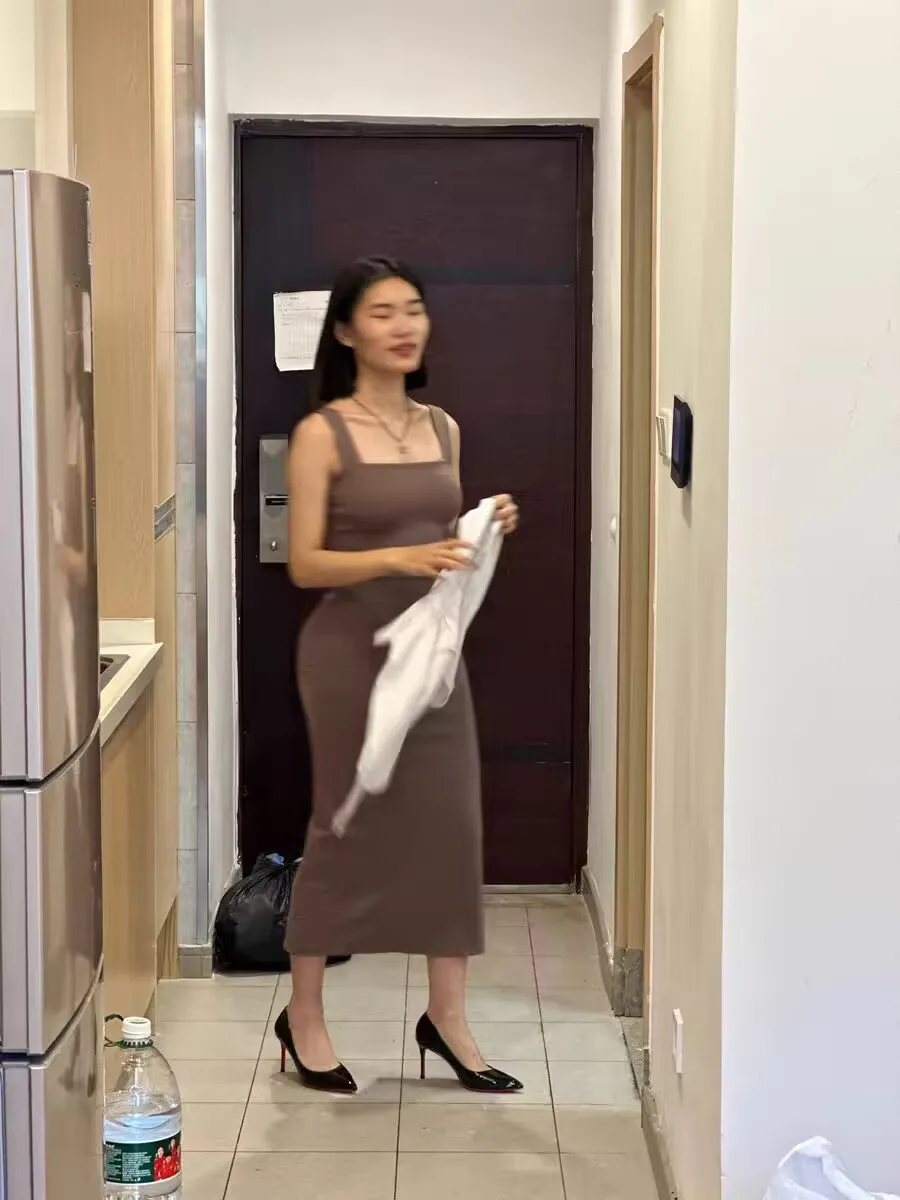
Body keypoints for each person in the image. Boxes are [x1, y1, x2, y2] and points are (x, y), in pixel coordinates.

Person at [276, 256, 521, 1095]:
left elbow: (441, 539)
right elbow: (305, 564)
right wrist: (399, 557)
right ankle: (305, 1014)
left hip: (431, 654)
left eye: (413, 308)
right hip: (348, 655)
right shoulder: (322, 433)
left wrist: (482, 523)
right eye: (382, 312)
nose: (403, 325)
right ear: (347, 331)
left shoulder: (443, 428)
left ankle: (446, 1018)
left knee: (451, 825)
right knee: (343, 824)